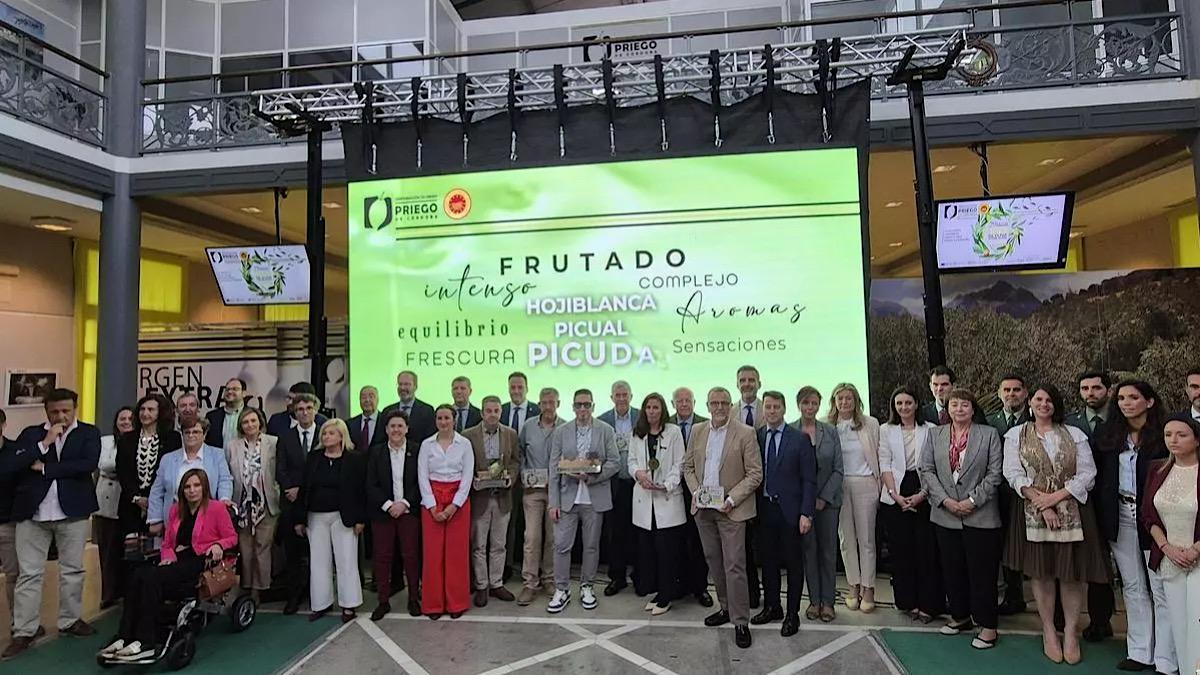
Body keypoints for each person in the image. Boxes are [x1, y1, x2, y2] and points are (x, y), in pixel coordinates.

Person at [1003, 385, 1109, 665]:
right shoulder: (1015, 435)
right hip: (1032, 511)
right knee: (1042, 573)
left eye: (1049, 400)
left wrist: (1055, 498)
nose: (1044, 404)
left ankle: (1071, 632)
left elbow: (1088, 473)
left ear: (1056, 404)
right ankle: (1049, 630)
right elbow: (1012, 472)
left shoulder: (1074, 434)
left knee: (1071, 574)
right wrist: (1042, 503)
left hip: (1072, 510)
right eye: (1039, 399)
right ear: (1030, 402)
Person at [1, 389, 100, 660]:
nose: (61, 416)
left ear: (75, 408)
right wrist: (45, 443)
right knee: (28, 574)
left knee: (73, 570)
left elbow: (87, 464)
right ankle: (24, 630)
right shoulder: (31, 435)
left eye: (66, 410)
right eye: (55, 411)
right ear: (46, 411)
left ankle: (70, 620)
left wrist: (45, 468)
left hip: (72, 511)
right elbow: (15, 463)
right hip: (32, 514)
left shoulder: (89, 433)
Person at [99, 469, 237, 661]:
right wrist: (168, 557)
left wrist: (218, 545)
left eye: (196, 485)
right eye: (187, 487)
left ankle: (146, 641)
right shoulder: (176, 510)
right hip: (177, 561)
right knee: (137, 575)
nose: (192, 490)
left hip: (202, 561)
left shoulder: (216, 509)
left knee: (150, 577)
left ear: (204, 488)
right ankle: (124, 636)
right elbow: (167, 543)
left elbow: (232, 537)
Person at [1093, 380, 1174, 673]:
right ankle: (1140, 651)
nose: (1126, 403)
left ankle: (1167, 658)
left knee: (1160, 587)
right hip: (1120, 515)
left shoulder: (1164, 436)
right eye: (1122, 398)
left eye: (1133, 397)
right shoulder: (1109, 435)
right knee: (1133, 585)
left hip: (1156, 520)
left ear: (1149, 401)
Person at [918, 388, 1004, 651]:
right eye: (954, 404)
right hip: (945, 515)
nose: (959, 409)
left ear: (973, 408)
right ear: (947, 409)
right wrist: (945, 500)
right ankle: (960, 616)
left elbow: (995, 474)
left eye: (964, 404)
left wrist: (971, 501)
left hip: (980, 516)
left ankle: (988, 626)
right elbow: (926, 470)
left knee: (982, 574)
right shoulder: (935, 434)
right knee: (952, 570)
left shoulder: (989, 434)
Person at [683, 386, 762, 649]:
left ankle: (740, 621)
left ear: (731, 406)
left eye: (724, 403)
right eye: (714, 403)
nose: (719, 407)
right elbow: (688, 467)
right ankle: (725, 608)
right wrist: (696, 492)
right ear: (707, 406)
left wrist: (732, 499)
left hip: (732, 511)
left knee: (735, 566)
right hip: (704, 511)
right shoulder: (697, 431)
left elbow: (755, 474)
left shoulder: (746, 433)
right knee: (714, 562)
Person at [547, 389, 620, 613]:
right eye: (578, 405)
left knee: (591, 546)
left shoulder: (605, 430)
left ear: (593, 406)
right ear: (572, 407)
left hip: (594, 498)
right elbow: (553, 468)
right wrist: (553, 503)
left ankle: (587, 586)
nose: (582, 409)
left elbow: (615, 462)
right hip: (567, 498)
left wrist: (593, 476)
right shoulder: (561, 432)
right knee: (561, 545)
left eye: (586, 405)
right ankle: (562, 589)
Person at [751, 391, 816, 637]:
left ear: (784, 409)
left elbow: (809, 480)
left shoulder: (799, 439)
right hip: (764, 509)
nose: (771, 411)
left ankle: (792, 614)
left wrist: (806, 513)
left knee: (793, 564)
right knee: (768, 562)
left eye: (776, 407)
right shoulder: (757, 436)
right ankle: (772, 607)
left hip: (791, 511)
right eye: (768, 407)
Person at [879, 385, 942, 623]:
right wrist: (895, 495)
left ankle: (929, 604)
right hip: (895, 490)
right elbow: (884, 463)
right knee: (901, 551)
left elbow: (935, 464)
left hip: (925, 489)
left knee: (926, 551)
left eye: (908, 402)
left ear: (916, 404)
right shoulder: (886, 430)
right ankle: (907, 602)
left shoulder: (931, 429)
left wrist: (922, 495)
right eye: (899, 403)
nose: (904, 407)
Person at [1142, 417, 1200, 675]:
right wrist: (1166, 548)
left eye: (1181, 435)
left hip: (1197, 559)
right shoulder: (1157, 470)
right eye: (1168, 434)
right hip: (1169, 560)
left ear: (1196, 440)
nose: (1173, 440)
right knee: (1179, 628)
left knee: (1197, 629)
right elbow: (1148, 516)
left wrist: (1195, 550)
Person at [295, 418, 366, 623]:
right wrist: (299, 519)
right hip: (316, 516)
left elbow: (361, 491)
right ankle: (321, 604)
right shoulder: (314, 458)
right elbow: (304, 488)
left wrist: (360, 519)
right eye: (324, 434)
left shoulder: (354, 459)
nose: (326, 437)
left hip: (344, 517)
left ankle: (349, 604)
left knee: (346, 561)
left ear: (342, 436)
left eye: (331, 433)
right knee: (319, 561)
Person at [1065, 370, 1116, 641]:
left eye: (1096, 388)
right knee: (1076, 559)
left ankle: (1101, 619)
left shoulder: (1120, 421)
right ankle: (1069, 619)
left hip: (1111, 501)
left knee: (1103, 562)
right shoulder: (1070, 422)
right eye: (1085, 389)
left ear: (1108, 390)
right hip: (1077, 500)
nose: (1090, 393)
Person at [627, 392, 686, 615]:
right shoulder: (637, 433)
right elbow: (631, 461)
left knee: (667, 553)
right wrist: (638, 474)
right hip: (644, 501)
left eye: (656, 407)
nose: (652, 411)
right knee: (649, 552)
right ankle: (658, 591)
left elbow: (680, 463)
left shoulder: (674, 432)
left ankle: (666, 596)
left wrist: (666, 484)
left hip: (667, 499)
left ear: (663, 410)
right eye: (648, 407)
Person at [827, 382, 881, 613]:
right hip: (838, 485)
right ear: (834, 402)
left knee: (866, 539)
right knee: (846, 540)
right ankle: (853, 585)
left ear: (856, 400)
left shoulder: (870, 424)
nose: (844, 402)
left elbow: (878, 453)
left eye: (848, 398)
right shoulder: (827, 425)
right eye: (840, 398)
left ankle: (869, 588)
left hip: (865, 483)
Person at [418, 404, 474, 619]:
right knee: (433, 555)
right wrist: (432, 506)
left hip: (458, 502)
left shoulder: (465, 444)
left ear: (454, 420)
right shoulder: (426, 445)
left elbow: (467, 477)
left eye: (447, 418)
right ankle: (434, 605)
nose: (443, 422)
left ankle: (456, 603)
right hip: (432, 500)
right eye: (440, 418)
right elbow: (422, 476)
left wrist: (454, 505)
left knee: (456, 554)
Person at [365, 409, 422, 620]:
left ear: (407, 429)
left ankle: (413, 598)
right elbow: (370, 484)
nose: (396, 430)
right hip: (383, 513)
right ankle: (383, 601)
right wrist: (389, 505)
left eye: (400, 426)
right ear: (386, 429)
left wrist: (404, 503)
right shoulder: (376, 452)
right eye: (392, 426)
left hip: (409, 512)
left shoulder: (417, 450)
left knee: (411, 556)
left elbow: (421, 482)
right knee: (382, 557)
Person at [794, 386, 843, 623]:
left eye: (814, 403)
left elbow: (838, 469)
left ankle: (828, 602)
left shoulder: (830, 431)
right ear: (798, 405)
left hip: (828, 503)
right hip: (802, 505)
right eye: (806, 403)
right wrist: (805, 501)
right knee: (808, 552)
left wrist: (823, 498)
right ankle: (814, 601)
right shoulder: (791, 431)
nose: (810, 407)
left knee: (828, 553)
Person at [464, 396, 519, 606]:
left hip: (502, 497)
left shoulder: (510, 434)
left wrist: (510, 477)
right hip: (479, 497)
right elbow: (464, 464)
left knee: (499, 544)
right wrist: (473, 480)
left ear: (501, 412)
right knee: (478, 545)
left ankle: (496, 583)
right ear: (482, 413)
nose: (493, 415)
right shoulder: (468, 435)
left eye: (496, 411)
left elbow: (515, 462)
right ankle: (481, 585)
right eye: (488, 411)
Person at [225, 407, 280, 603]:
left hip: (266, 504)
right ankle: (247, 587)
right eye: (245, 422)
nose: (250, 425)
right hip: (242, 504)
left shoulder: (273, 442)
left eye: (253, 421)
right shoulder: (232, 446)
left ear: (260, 422)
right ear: (241, 425)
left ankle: (260, 588)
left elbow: (278, 470)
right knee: (246, 548)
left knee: (262, 547)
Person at [516, 387, 565, 605]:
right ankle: (529, 583)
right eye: (544, 402)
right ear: (539, 404)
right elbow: (519, 454)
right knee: (532, 538)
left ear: (558, 404)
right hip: (533, 492)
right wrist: (524, 475)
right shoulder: (528, 427)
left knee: (553, 539)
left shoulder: (566, 427)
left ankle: (549, 579)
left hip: (557, 492)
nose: (548, 406)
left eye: (551, 402)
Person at [989, 373, 1032, 616]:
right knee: (1006, 545)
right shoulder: (990, 422)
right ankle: (1013, 596)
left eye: (1016, 390)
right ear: (999, 393)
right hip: (1000, 494)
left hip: (1031, 493)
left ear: (1025, 393)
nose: (1011, 394)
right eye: (1006, 390)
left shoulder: (1036, 419)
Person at [275, 392, 322, 614]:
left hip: (318, 502)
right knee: (292, 554)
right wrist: (291, 489)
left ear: (315, 410)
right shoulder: (285, 437)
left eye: (308, 408)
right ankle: (293, 596)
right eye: (300, 409)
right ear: (294, 412)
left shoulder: (325, 434)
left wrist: (302, 491)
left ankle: (317, 595)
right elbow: (280, 469)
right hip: (292, 504)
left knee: (317, 553)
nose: (304, 413)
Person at [668, 386, 712, 607]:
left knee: (698, 541)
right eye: (680, 400)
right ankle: (678, 586)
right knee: (675, 542)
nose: (684, 404)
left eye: (688, 400)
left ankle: (700, 588)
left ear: (694, 403)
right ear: (673, 403)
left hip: (699, 491)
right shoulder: (665, 424)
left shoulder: (706, 424)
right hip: (671, 491)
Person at [147, 418, 233, 530]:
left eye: (196, 432)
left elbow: (225, 480)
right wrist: (155, 518)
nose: (191, 435)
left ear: (204, 435)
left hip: (208, 518)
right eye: (187, 432)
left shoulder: (217, 455)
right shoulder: (167, 459)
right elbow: (157, 491)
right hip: (176, 519)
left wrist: (224, 500)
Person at [117, 394, 181, 536]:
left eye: (151, 410)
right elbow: (122, 471)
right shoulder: (127, 439)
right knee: (130, 546)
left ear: (160, 412)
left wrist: (153, 499)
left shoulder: (172, 438)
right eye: (142, 409)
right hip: (131, 504)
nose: (145, 413)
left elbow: (171, 471)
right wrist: (136, 498)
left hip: (161, 504)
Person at [599, 380, 639, 597]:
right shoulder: (602, 420)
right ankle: (617, 577)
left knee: (640, 531)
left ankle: (641, 575)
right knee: (614, 533)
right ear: (612, 397)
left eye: (625, 395)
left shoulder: (641, 417)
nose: (622, 398)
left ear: (631, 396)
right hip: (612, 483)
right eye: (618, 395)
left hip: (639, 484)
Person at [94, 406, 134, 608]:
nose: (126, 422)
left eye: (130, 418)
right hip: (107, 501)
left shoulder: (140, 440)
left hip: (129, 502)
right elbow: (104, 465)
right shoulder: (105, 441)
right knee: (107, 551)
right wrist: (126, 468)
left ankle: (128, 593)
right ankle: (108, 594)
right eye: (122, 418)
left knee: (128, 550)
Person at [0, 409, 22, 627]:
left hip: (8, 524)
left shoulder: (16, 452)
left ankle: (19, 623)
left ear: (3, 424)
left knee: (14, 576)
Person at [380, 370, 436, 444]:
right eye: (400, 384)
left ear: (415, 387)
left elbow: (431, 440)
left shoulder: (427, 411)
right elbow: (381, 439)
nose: (402, 388)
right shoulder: (387, 411)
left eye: (407, 384)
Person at [205, 377, 247, 449]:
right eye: (227, 389)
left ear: (244, 393)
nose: (229, 392)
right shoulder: (212, 417)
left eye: (235, 389)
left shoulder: (254, 415)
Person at [347, 385, 385, 452]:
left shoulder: (385, 421)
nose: (367, 400)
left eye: (371, 397)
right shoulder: (350, 424)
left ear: (377, 400)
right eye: (363, 397)